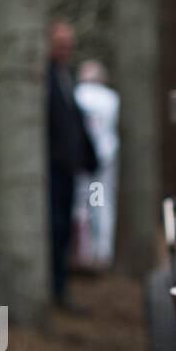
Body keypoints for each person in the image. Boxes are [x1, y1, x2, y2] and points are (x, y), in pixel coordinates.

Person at [47, 22, 97, 310]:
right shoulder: (48, 77)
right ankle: (56, 288)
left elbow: (74, 122)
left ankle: (60, 287)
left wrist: (88, 158)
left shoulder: (66, 77)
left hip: (68, 170)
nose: (66, 47)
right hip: (54, 170)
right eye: (60, 41)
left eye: (70, 41)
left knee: (66, 228)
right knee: (56, 228)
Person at [73, 60, 119, 270]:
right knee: (101, 203)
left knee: (83, 205)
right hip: (105, 158)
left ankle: (85, 252)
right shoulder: (111, 98)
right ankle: (103, 251)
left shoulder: (78, 94)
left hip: (84, 160)